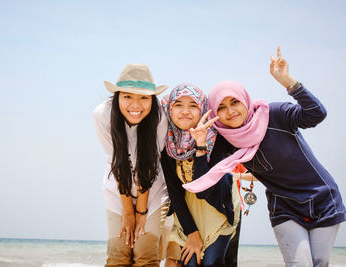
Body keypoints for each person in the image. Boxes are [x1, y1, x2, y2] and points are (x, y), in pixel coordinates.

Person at [184, 46, 346, 267]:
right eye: (221, 107)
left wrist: (288, 81)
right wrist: (201, 145)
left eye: (234, 102)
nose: (230, 111)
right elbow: (203, 188)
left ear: (245, 100)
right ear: (214, 113)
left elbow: (317, 114)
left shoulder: (275, 114)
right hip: (285, 207)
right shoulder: (227, 139)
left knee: (320, 263)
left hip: (323, 198)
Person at [94, 63, 170, 267]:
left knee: (145, 253)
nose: (136, 105)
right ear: (117, 95)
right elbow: (118, 163)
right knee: (119, 253)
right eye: (128, 96)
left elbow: (149, 166)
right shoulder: (103, 114)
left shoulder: (159, 116)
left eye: (144, 97)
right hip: (118, 190)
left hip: (152, 191)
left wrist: (141, 213)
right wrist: (128, 212)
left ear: (152, 99)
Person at [160, 83, 241, 267]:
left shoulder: (217, 138)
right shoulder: (168, 143)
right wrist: (191, 233)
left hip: (218, 208)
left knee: (212, 262)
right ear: (169, 108)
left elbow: (204, 190)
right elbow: (175, 192)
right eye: (178, 104)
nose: (185, 111)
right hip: (187, 211)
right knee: (190, 263)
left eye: (193, 105)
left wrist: (201, 146)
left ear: (203, 108)